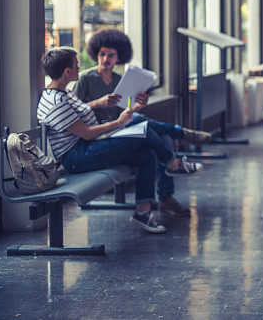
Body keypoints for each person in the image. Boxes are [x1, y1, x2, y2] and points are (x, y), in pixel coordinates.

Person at [37, 47, 203, 233]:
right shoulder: (56, 102)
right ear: (67, 72)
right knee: (144, 129)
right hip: (77, 157)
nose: (79, 67)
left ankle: (142, 212)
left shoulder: (63, 93)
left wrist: (101, 104)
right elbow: (87, 133)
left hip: (88, 146)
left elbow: (80, 114)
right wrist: (118, 123)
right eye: (76, 65)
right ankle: (173, 162)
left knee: (147, 154)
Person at [72, 28, 212, 217]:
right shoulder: (85, 79)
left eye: (111, 55)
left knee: (162, 138)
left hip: (119, 131)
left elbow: (124, 113)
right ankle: (181, 137)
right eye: (102, 54)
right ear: (95, 53)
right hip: (98, 135)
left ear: (118, 57)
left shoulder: (120, 80)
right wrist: (99, 103)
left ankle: (165, 198)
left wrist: (137, 105)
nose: (105, 59)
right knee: (143, 124)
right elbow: (73, 111)